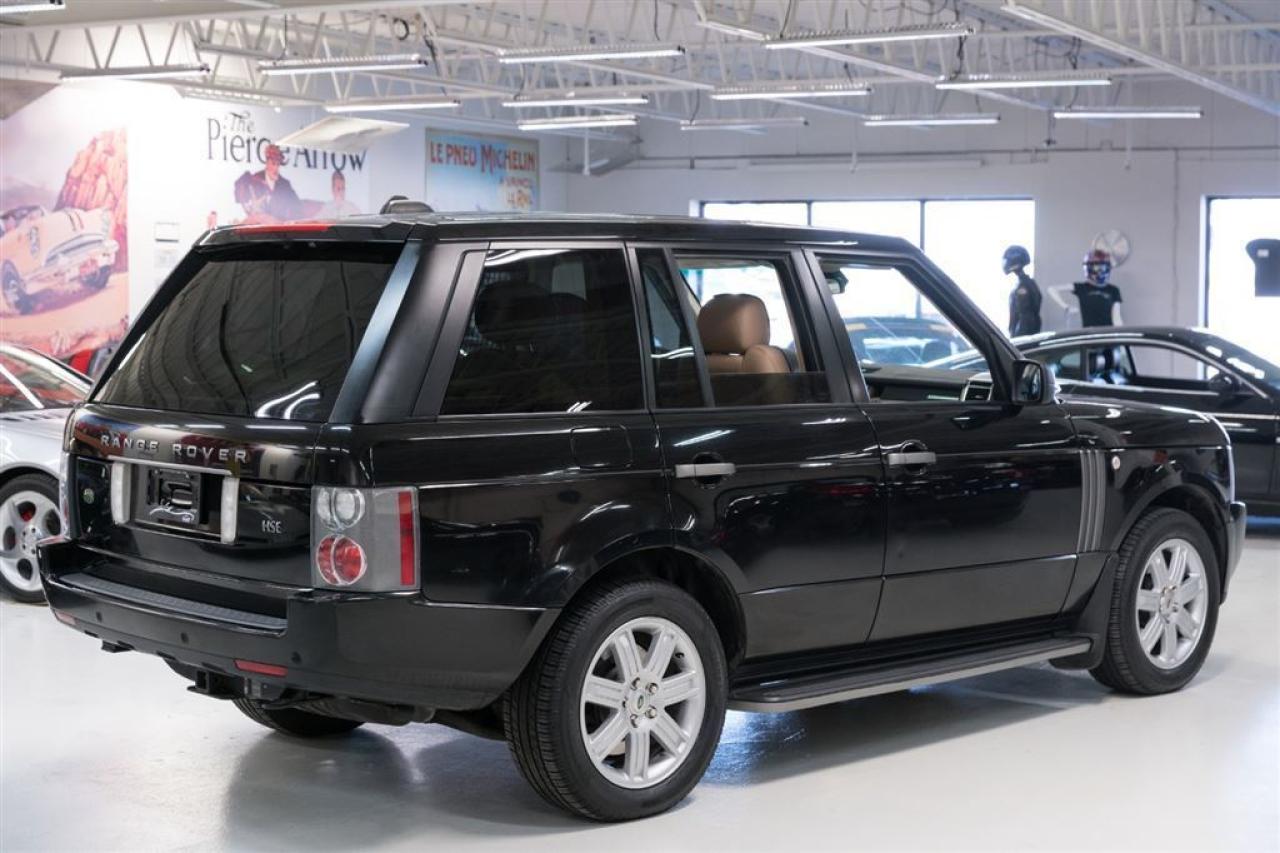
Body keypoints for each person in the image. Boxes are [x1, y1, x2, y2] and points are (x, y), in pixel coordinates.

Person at [1049, 249, 1124, 327]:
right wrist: (1066, 307)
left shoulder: (1113, 290)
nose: (1100, 270)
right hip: (1088, 332)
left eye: (1103, 267)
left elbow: (1116, 317)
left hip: (1107, 332)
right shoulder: (1082, 287)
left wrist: (1120, 332)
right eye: (1097, 267)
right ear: (1089, 268)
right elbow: (1052, 289)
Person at [233, 143, 301, 223]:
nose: (276, 169)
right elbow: (240, 196)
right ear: (267, 163)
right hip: (258, 227)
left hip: (279, 228)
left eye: (278, 165)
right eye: (273, 164)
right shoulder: (254, 180)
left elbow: (297, 207)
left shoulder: (285, 185)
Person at [1002, 244, 1041, 336]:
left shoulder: (1023, 286)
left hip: (1022, 335)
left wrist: (1017, 337)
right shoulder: (1026, 283)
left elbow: (1025, 315)